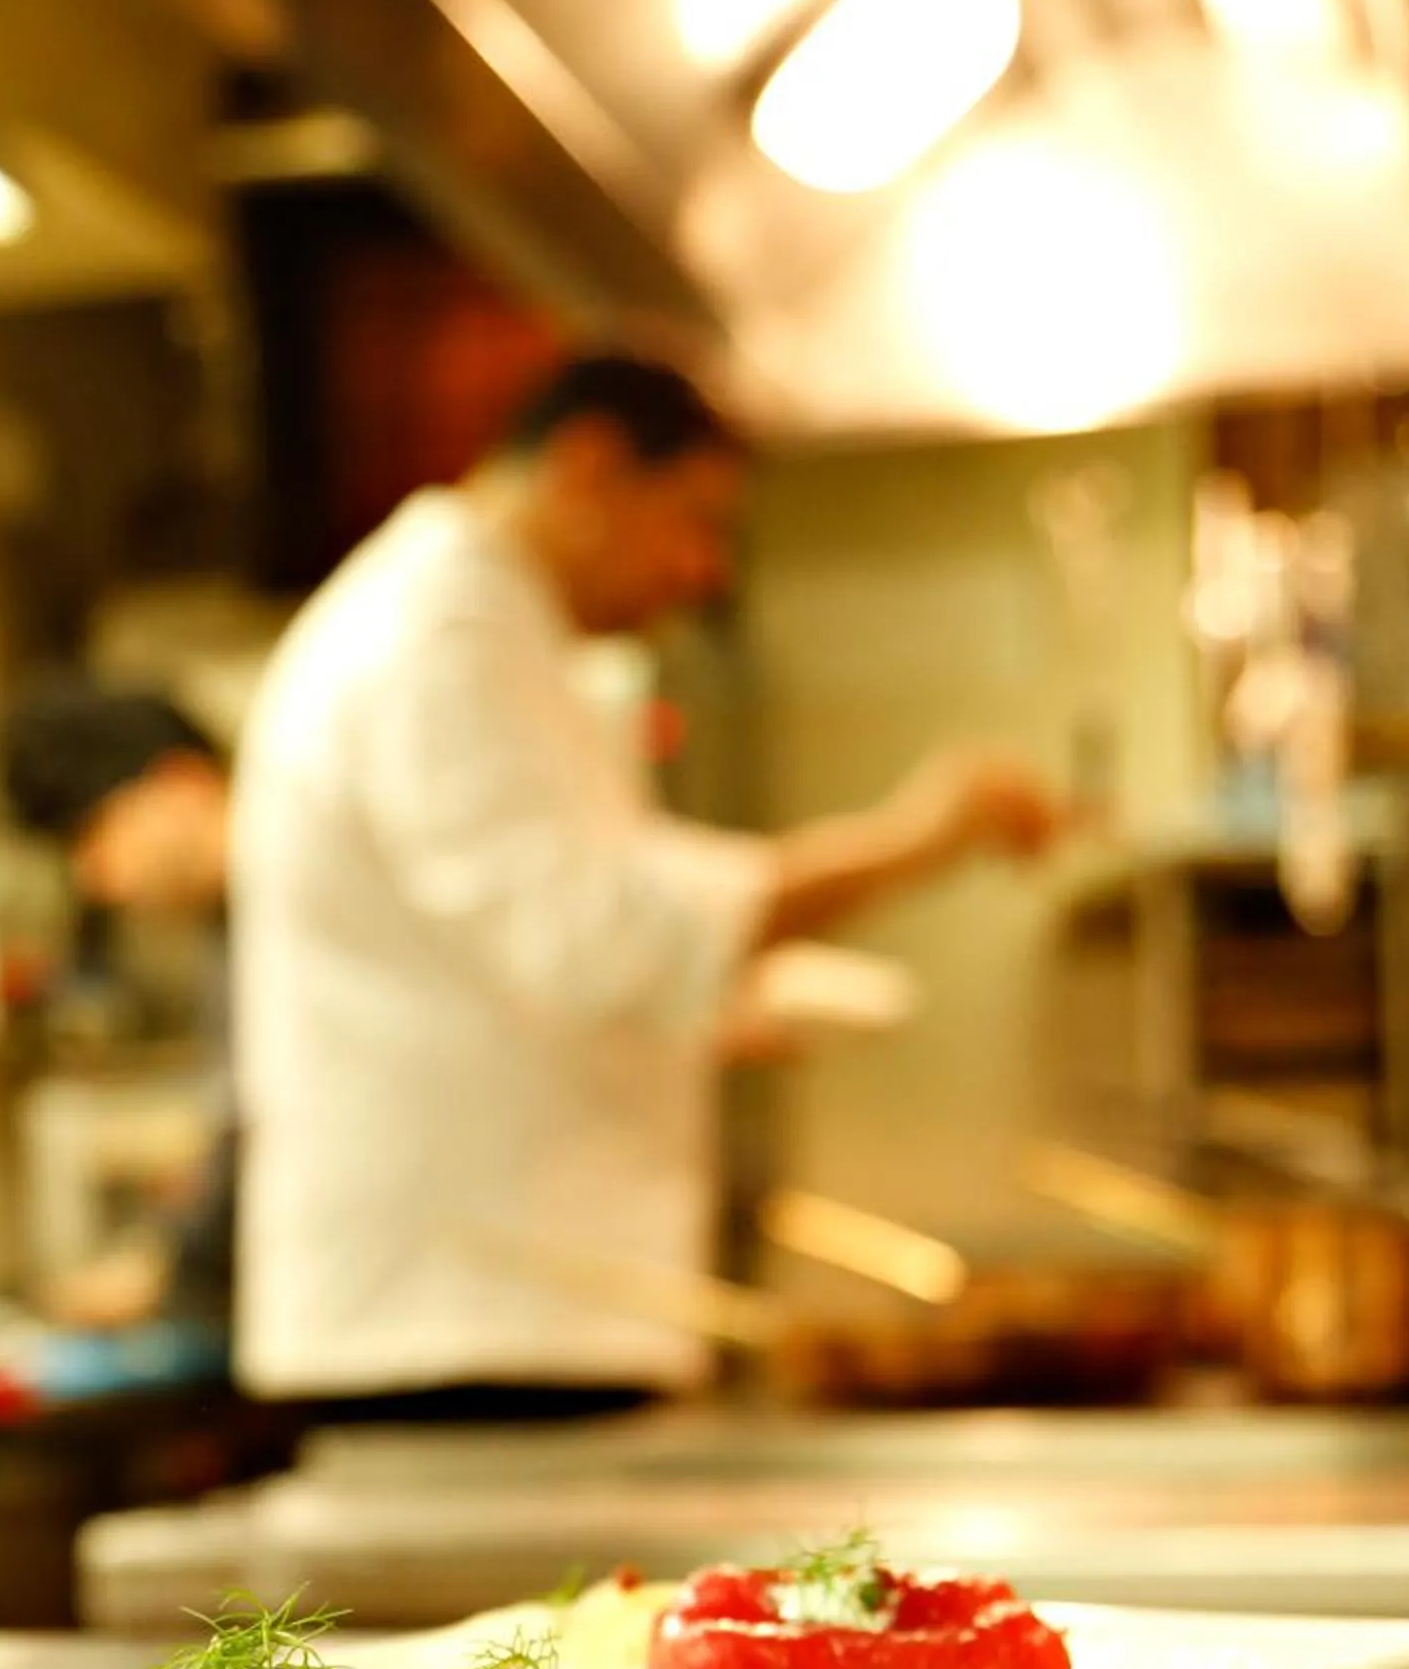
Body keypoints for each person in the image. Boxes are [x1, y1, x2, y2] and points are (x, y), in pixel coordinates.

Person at [230, 352, 1067, 1421]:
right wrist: (913, 840)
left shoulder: (498, 632)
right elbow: (598, 936)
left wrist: (718, 1006)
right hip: (455, 1335)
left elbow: (541, 953)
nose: (701, 570)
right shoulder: (434, 636)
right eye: (693, 520)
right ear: (589, 467)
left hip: (510, 1315)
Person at [0, 678, 237, 1334]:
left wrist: (167, 1268)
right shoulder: (226, 938)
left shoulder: (294, 913)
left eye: (95, 833)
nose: (97, 879)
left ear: (181, 781)